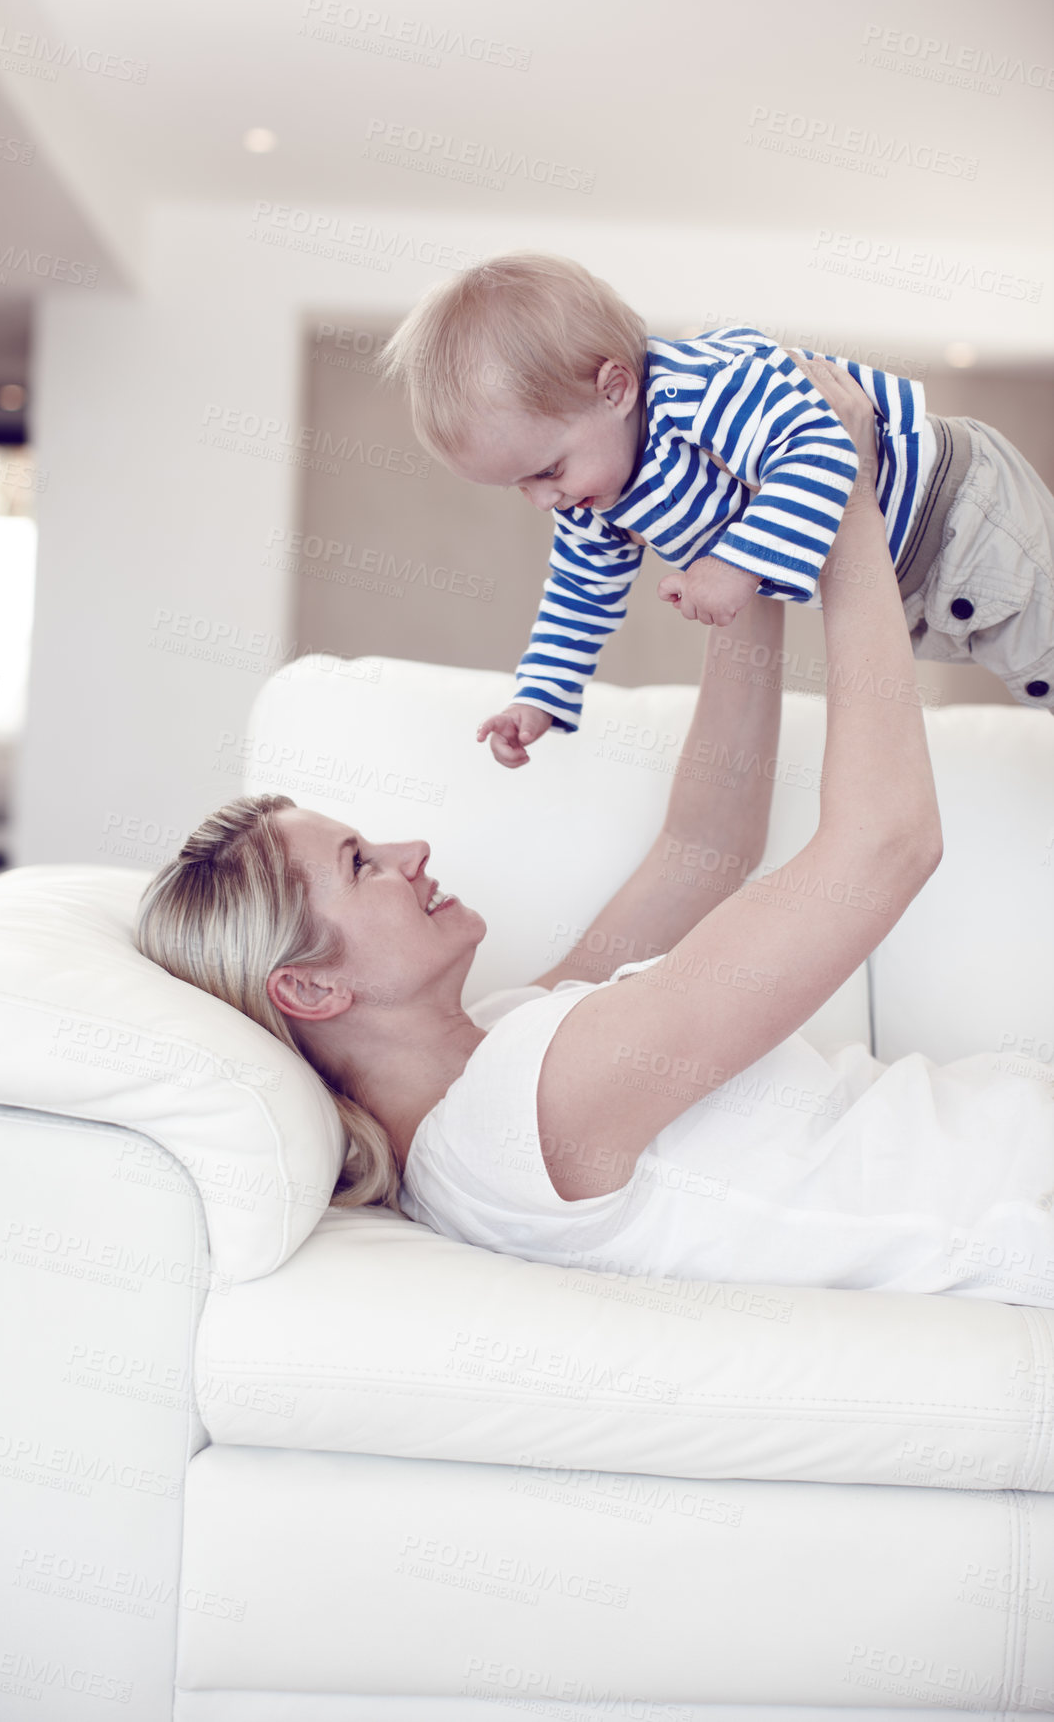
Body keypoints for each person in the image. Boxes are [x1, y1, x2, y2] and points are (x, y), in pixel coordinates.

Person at [136, 358, 1054, 1310]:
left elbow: (706, 848)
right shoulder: (520, 1116)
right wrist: (847, 493)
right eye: (360, 864)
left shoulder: (498, 1053)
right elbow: (885, 847)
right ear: (312, 985)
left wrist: (744, 550)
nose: (411, 854)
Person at [377, 251, 1054, 767]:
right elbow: (578, 594)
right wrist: (540, 696)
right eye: (519, 487)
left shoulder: (703, 388)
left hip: (964, 516)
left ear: (614, 389)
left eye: (547, 470)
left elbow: (822, 448)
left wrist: (733, 563)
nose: (543, 500)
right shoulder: (591, 495)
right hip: (908, 588)